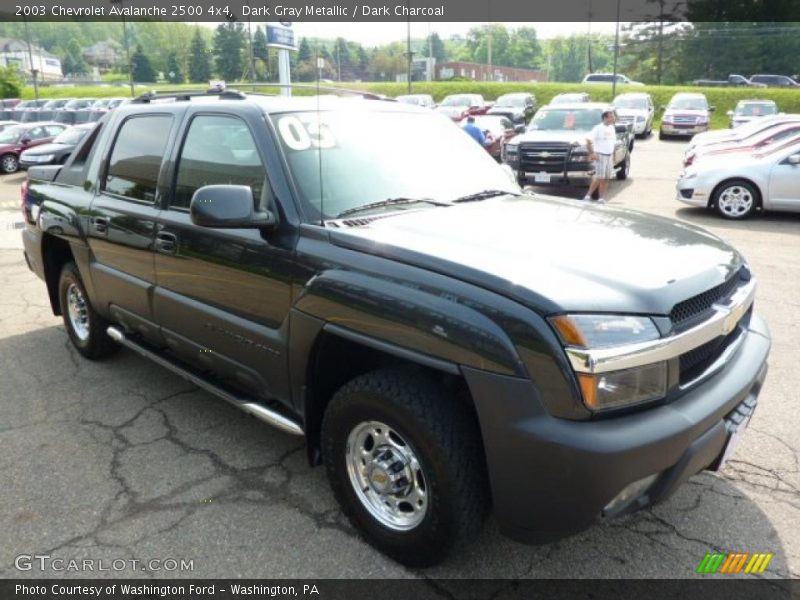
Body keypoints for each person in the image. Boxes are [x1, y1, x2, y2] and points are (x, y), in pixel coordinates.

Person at [584, 110, 617, 203]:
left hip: (609, 156)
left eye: (613, 116)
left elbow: (613, 143)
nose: (613, 118)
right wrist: (592, 153)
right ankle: (587, 196)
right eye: (611, 116)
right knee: (599, 177)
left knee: (606, 178)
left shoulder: (612, 128)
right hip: (600, 155)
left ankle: (601, 198)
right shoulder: (598, 128)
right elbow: (588, 141)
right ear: (605, 118)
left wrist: (613, 155)